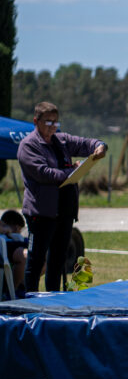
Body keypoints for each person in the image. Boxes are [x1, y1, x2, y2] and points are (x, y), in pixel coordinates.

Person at [17, 102, 107, 293]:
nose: (52, 126)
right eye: (48, 122)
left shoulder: (61, 140)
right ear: (36, 121)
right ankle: (29, 301)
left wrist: (100, 146)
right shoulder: (28, 146)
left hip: (64, 210)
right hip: (41, 212)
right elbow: (44, 173)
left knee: (57, 260)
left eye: (56, 122)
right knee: (36, 260)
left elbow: (85, 144)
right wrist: (71, 172)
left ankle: (54, 299)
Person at [0, 209, 28, 296]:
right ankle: (10, 292)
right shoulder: (6, 236)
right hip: (5, 246)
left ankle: (21, 286)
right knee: (25, 255)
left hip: (11, 246)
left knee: (40, 256)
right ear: (17, 227)